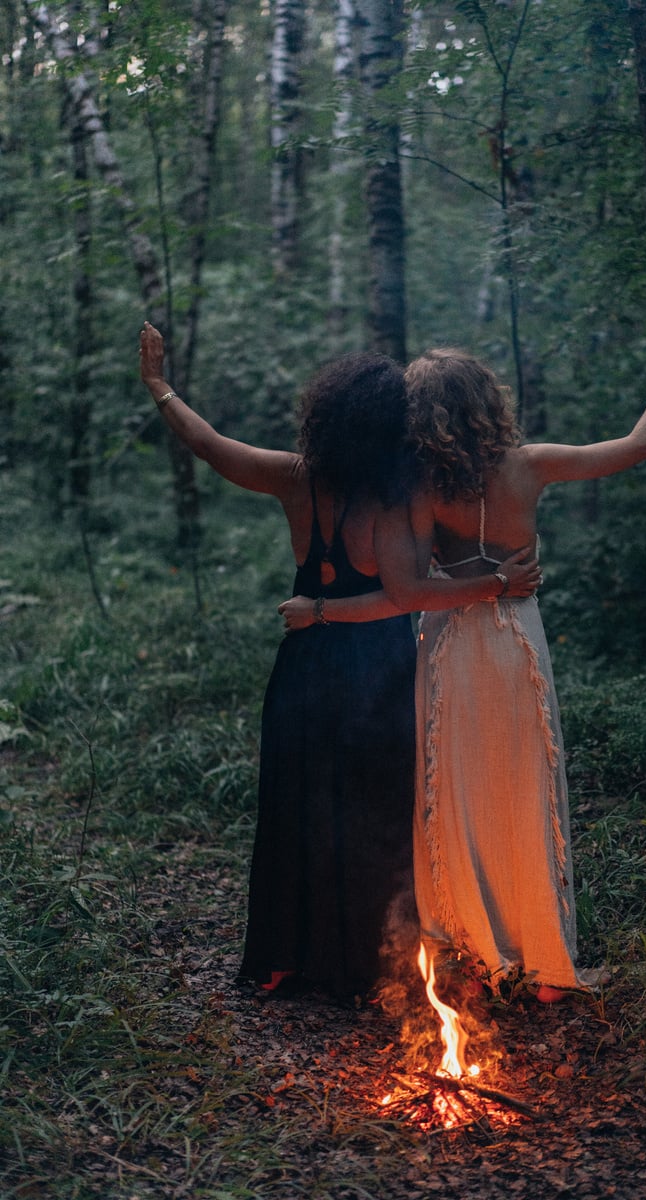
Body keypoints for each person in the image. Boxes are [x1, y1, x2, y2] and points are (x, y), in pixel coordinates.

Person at [139, 323, 540, 1003]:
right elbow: (411, 594)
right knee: (378, 813)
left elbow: (210, 446)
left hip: (305, 666)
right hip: (379, 668)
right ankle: (366, 969)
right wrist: (498, 583)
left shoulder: (297, 480)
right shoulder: (396, 499)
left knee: (295, 806)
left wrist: (160, 387)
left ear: (325, 417)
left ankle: (281, 962)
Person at [367, 306, 646, 1003]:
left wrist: (474, 582)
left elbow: (417, 586)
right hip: (514, 642)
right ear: (488, 402)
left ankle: (465, 945)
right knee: (521, 787)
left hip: (451, 645)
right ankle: (539, 958)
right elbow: (637, 446)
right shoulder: (530, 466)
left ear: (422, 417)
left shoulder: (423, 490)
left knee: (453, 792)